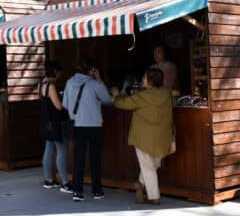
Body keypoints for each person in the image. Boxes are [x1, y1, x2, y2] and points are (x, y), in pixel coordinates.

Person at [112, 68, 174, 205]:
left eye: (145, 78)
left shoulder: (142, 96)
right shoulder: (166, 94)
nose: (142, 80)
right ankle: (140, 184)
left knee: (148, 167)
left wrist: (116, 96)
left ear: (151, 81)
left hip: (143, 138)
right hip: (163, 137)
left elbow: (123, 104)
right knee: (152, 164)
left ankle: (154, 197)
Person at [63, 58, 113, 202]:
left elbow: (65, 104)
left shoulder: (69, 82)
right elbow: (107, 99)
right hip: (94, 126)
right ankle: (97, 191)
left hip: (78, 125)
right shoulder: (94, 84)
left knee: (79, 159)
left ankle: (77, 191)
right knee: (95, 159)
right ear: (91, 70)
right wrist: (99, 80)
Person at [39, 61, 73, 193]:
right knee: (61, 150)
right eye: (59, 72)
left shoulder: (41, 84)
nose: (60, 75)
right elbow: (58, 106)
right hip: (55, 123)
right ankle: (65, 182)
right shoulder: (51, 86)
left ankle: (48, 180)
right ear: (55, 72)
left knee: (48, 148)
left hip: (46, 122)